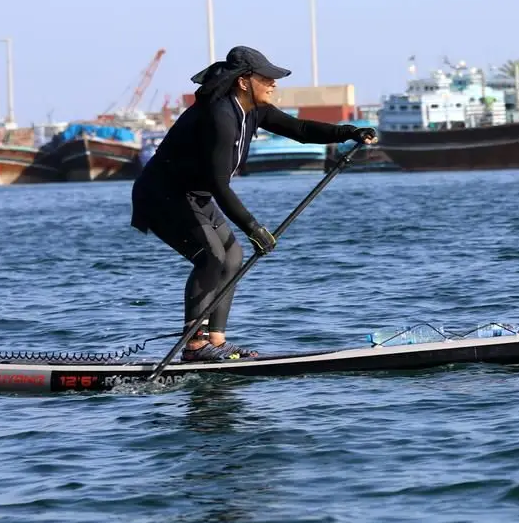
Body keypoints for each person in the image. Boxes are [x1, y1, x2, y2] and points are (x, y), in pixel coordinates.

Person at [131, 45, 377, 362]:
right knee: (212, 257)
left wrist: (349, 132)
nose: (274, 83)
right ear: (244, 81)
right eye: (267, 78)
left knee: (232, 256)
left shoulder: (253, 109)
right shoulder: (219, 115)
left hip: (194, 195)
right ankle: (194, 346)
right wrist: (253, 227)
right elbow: (219, 184)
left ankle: (215, 342)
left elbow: (300, 129)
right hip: (162, 194)